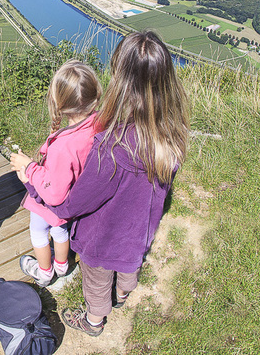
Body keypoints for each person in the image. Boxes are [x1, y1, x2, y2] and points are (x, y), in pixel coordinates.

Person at [47, 31, 189, 336]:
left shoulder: (111, 147)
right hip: (139, 232)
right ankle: (124, 294)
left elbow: (80, 202)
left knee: (97, 282)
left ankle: (93, 321)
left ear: (119, 80)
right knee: (128, 268)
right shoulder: (172, 137)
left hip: (103, 237)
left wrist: (55, 202)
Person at [9, 60, 102, 287]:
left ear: (59, 102)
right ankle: (62, 265)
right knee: (60, 231)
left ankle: (45, 272)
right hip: (75, 197)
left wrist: (29, 169)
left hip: (53, 204)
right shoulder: (98, 125)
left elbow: (54, 194)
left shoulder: (63, 147)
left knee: (39, 232)